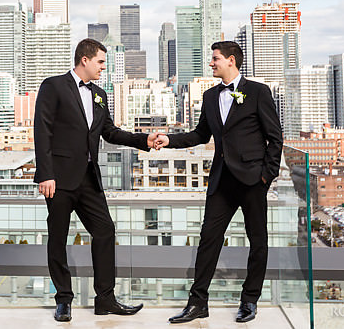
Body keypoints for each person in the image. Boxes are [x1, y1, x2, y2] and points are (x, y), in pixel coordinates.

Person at [34, 38, 161, 322]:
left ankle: (105, 299)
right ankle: (63, 300)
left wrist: (144, 140)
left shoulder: (100, 94)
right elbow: (41, 130)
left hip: (89, 179)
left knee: (105, 231)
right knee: (57, 239)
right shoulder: (53, 86)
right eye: (101, 62)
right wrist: (46, 174)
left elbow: (111, 132)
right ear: (85, 60)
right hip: (59, 179)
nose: (104, 67)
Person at [155, 41, 283, 324]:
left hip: (252, 181)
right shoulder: (210, 96)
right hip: (221, 181)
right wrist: (169, 141)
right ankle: (198, 302)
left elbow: (276, 137)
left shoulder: (258, 92)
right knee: (208, 241)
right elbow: (200, 134)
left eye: (215, 59)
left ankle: (249, 301)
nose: (211, 63)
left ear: (231, 61)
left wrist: (266, 175)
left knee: (258, 242)